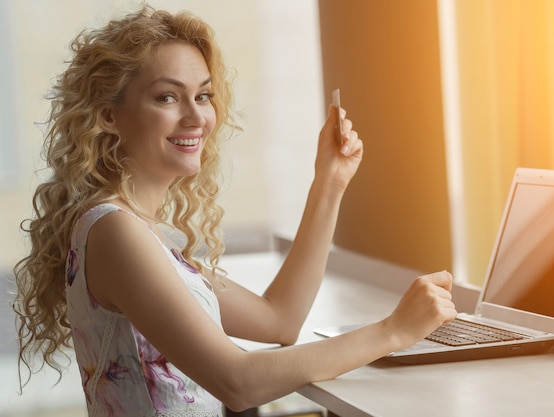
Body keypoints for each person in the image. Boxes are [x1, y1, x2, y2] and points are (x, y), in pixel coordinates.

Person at [12, 4, 457, 417]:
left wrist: (330, 181)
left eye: (203, 96)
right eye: (168, 97)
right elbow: (237, 382)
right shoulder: (116, 233)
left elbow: (280, 319)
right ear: (110, 115)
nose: (196, 117)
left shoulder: (138, 233)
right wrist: (393, 331)